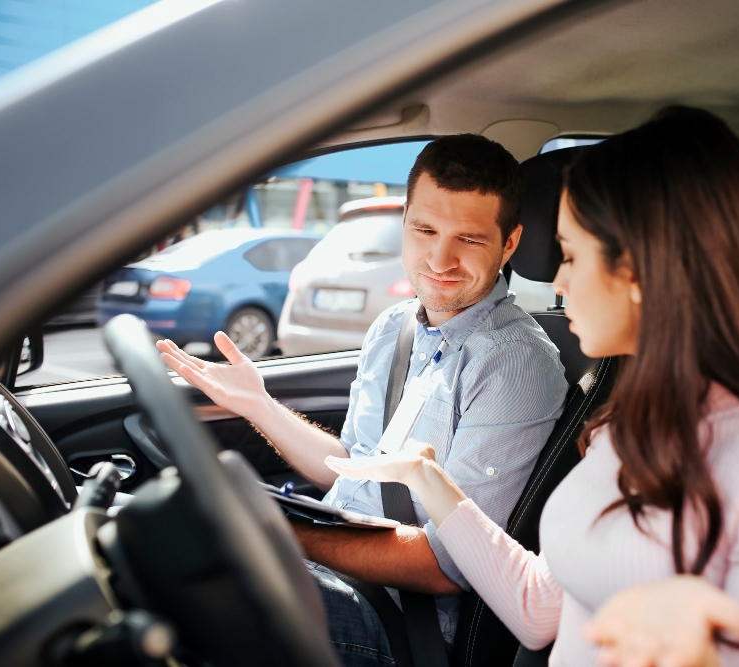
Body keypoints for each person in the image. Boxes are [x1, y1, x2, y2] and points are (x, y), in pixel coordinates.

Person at [326, 108, 739, 667]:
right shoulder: (639, 422)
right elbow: (538, 610)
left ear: (645, 272)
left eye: (572, 255)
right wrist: (431, 483)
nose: (558, 279)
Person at [157, 134, 569, 665]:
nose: (440, 259)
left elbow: (448, 568)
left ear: (509, 244)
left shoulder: (514, 364)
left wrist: (283, 533)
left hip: (401, 625)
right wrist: (257, 404)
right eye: (425, 230)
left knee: (184, 588)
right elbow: (352, 470)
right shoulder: (394, 328)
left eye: (468, 239)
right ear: (404, 223)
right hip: (338, 577)